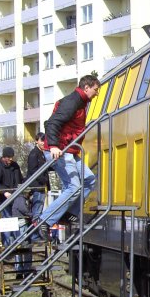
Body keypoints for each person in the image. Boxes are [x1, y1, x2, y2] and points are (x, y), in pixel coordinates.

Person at [37, 74, 101, 241]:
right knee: (73, 186)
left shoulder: (81, 103)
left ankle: (69, 213)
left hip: (70, 151)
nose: (97, 93)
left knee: (89, 179)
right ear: (86, 87)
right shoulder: (72, 102)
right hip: (60, 150)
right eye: (95, 89)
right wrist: (53, 146)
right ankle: (44, 219)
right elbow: (51, 123)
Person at [0, 146, 23, 246]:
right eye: (9, 157)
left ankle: (17, 243)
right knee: (8, 221)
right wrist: (4, 192)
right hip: (4, 199)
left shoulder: (15, 166)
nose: (10, 159)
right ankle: (6, 245)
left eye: (11, 157)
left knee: (18, 220)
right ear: (4, 157)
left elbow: (20, 179)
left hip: (16, 198)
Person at [26, 132, 49, 224]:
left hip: (42, 186)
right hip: (37, 187)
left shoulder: (43, 154)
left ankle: (37, 233)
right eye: (41, 140)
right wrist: (44, 180)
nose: (43, 143)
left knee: (40, 210)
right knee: (37, 210)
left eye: (45, 141)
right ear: (36, 141)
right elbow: (33, 170)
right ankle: (35, 235)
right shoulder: (34, 154)